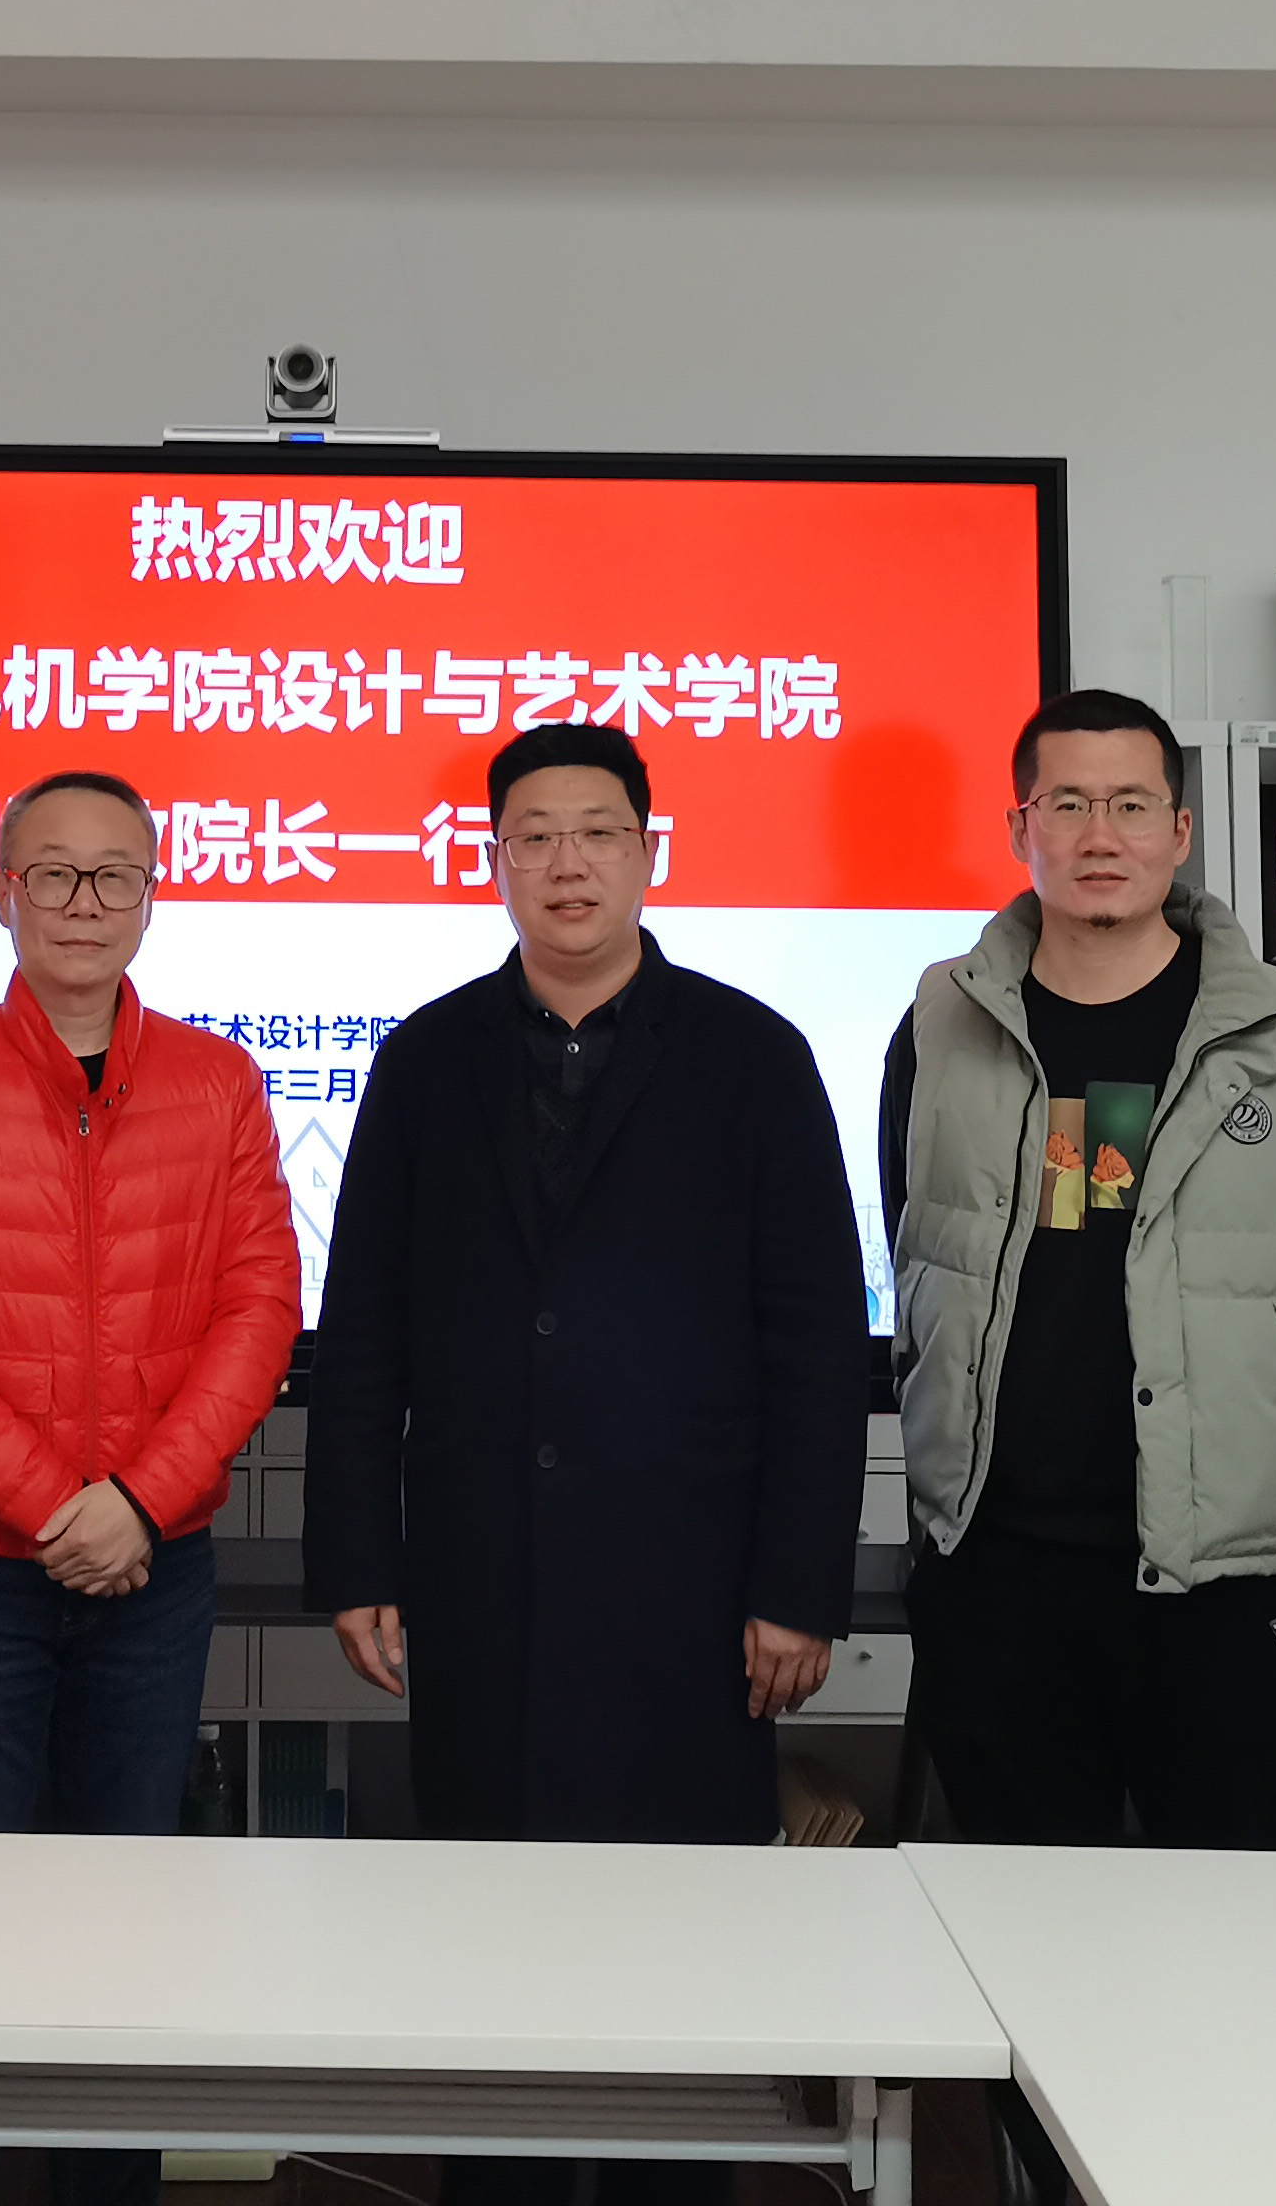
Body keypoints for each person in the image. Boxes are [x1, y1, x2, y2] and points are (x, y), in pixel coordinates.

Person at [0, 770, 303, 2206]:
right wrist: (54, 1504)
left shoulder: (219, 1084)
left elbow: (260, 1310)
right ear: (1, 894)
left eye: (114, 876)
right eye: (53, 873)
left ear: (153, 896)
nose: (84, 903)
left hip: (155, 1568)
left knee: (124, 1914)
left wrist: (140, 1503)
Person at [306, 722, 864, 1857]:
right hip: (480, 1570)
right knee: (487, 1893)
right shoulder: (424, 1059)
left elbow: (817, 1348)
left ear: (648, 852)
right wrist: (358, 1561)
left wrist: (800, 1587)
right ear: (493, 860)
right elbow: (363, 1333)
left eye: (600, 834)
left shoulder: (755, 1057)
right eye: (536, 838)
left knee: (685, 1906)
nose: (569, 865)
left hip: (690, 1578)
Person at [878, 688, 1276, 1853]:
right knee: (1020, 1925)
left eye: (1134, 805)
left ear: (1180, 833)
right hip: (1000, 1570)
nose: (1102, 836)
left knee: (1247, 1925)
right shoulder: (943, 1025)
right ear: (1020, 827)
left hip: (1227, 1582)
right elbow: (919, 1247)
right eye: (1069, 804)